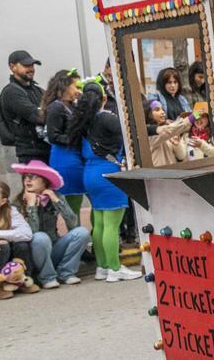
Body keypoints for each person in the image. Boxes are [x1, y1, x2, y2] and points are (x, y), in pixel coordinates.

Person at [69, 81, 142, 282]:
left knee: (99, 222)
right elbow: (129, 134)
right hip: (108, 171)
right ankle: (115, 269)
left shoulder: (82, 122)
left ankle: (102, 267)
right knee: (112, 224)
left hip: (89, 173)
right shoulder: (106, 118)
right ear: (103, 98)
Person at [12, 159, 89, 288]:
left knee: (82, 232)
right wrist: (31, 207)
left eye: (33, 177)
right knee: (40, 237)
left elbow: (73, 224)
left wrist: (57, 201)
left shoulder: (55, 197)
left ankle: (66, 272)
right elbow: (33, 233)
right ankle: (47, 277)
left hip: (54, 249)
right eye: (26, 177)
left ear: (45, 180)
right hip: (33, 255)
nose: (28, 180)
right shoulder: (18, 202)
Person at [41, 69, 86, 217]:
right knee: (73, 202)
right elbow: (54, 136)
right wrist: (74, 140)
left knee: (78, 199)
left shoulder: (70, 105)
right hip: (65, 157)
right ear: (65, 85)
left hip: (74, 155)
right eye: (76, 86)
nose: (78, 90)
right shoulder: (56, 107)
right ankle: (77, 233)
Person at [0, 50, 50, 163]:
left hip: (47, 151)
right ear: (12, 67)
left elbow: (53, 109)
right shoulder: (11, 92)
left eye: (32, 65)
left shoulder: (37, 90)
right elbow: (37, 116)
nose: (31, 69)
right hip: (31, 154)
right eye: (26, 65)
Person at [145, 100, 191, 166]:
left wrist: (177, 145)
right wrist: (194, 116)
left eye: (163, 109)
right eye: (157, 110)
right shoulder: (148, 133)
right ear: (148, 113)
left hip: (174, 173)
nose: (163, 112)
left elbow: (181, 156)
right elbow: (172, 129)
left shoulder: (170, 127)